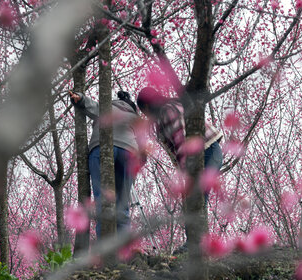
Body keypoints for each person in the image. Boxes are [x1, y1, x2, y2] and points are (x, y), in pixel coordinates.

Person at [69, 89, 141, 237]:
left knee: (102, 202)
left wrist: (80, 98)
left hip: (101, 148)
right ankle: (123, 250)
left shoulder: (108, 107)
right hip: (129, 152)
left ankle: (104, 248)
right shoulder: (135, 117)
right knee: (122, 204)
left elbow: (91, 106)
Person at [136, 87, 223, 199]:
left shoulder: (166, 111)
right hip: (212, 150)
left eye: (144, 112)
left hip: (205, 151)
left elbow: (180, 139)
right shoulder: (173, 106)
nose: (146, 116)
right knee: (197, 200)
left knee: (196, 199)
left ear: (147, 106)